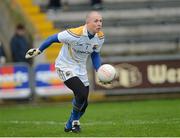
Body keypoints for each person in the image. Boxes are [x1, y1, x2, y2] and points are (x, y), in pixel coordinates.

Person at [25, 11, 105, 133]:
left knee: (84, 103)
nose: (99, 24)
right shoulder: (74, 34)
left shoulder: (100, 37)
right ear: (87, 22)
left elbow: (95, 54)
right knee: (81, 94)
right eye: (96, 21)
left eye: (100, 21)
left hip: (80, 68)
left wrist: (99, 70)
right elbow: (52, 38)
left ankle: (69, 124)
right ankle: (75, 123)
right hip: (65, 66)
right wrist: (39, 50)